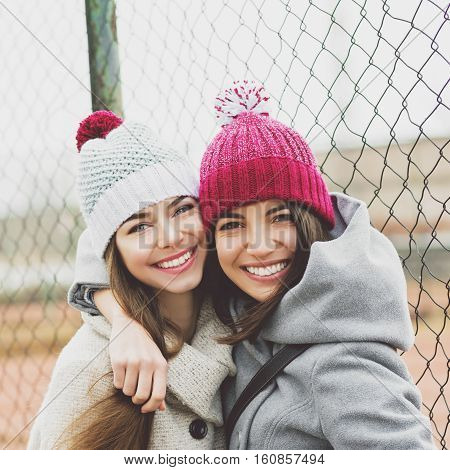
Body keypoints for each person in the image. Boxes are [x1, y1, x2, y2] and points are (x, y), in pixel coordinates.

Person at [68, 82, 435, 449]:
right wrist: (123, 320)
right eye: (232, 225)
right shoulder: (235, 303)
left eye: (279, 218)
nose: (258, 247)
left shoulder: (343, 361)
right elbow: (104, 237)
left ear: (310, 222)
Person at [27, 111, 235, 450]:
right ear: (113, 252)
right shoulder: (86, 370)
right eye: (139, 227)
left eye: (182, 209)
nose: (170, 237)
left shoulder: (242, 317)